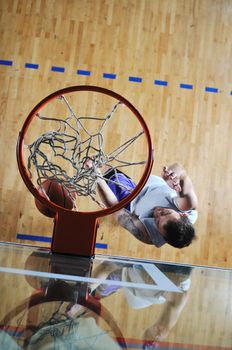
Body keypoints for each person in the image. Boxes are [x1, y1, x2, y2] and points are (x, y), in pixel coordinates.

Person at [87, 161, 198, 249]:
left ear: (162, 235)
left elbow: (115, 208)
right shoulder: (187, 205)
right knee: (106, 168)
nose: (157, 212)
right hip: (143, 189)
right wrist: (174, 176)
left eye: (157, 220)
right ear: (183, 215)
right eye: (165, 212)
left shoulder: (149, 235)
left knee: (104, 172)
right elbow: (180, 170)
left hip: (129, 202)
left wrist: (96, 176)